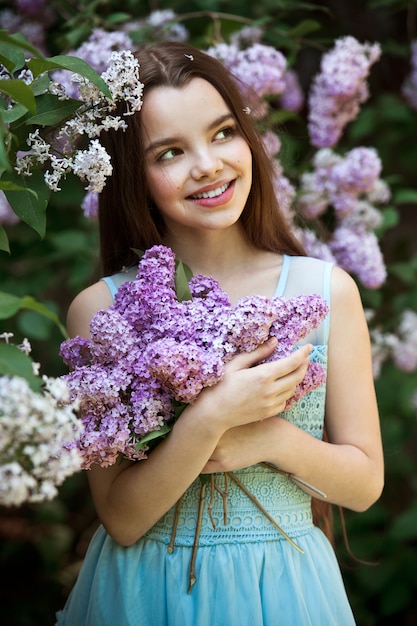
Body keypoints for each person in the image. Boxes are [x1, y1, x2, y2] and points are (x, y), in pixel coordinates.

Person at [55, 41, 384, 626]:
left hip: (283, 586)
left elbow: (363, 485)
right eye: (170, 152)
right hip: (144, 590)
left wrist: (267, 440)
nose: (207, 164)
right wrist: (210, 419)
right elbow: (123, 519)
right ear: (135, 174)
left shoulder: (325, 291)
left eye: (224, 132)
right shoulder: (103, 311)